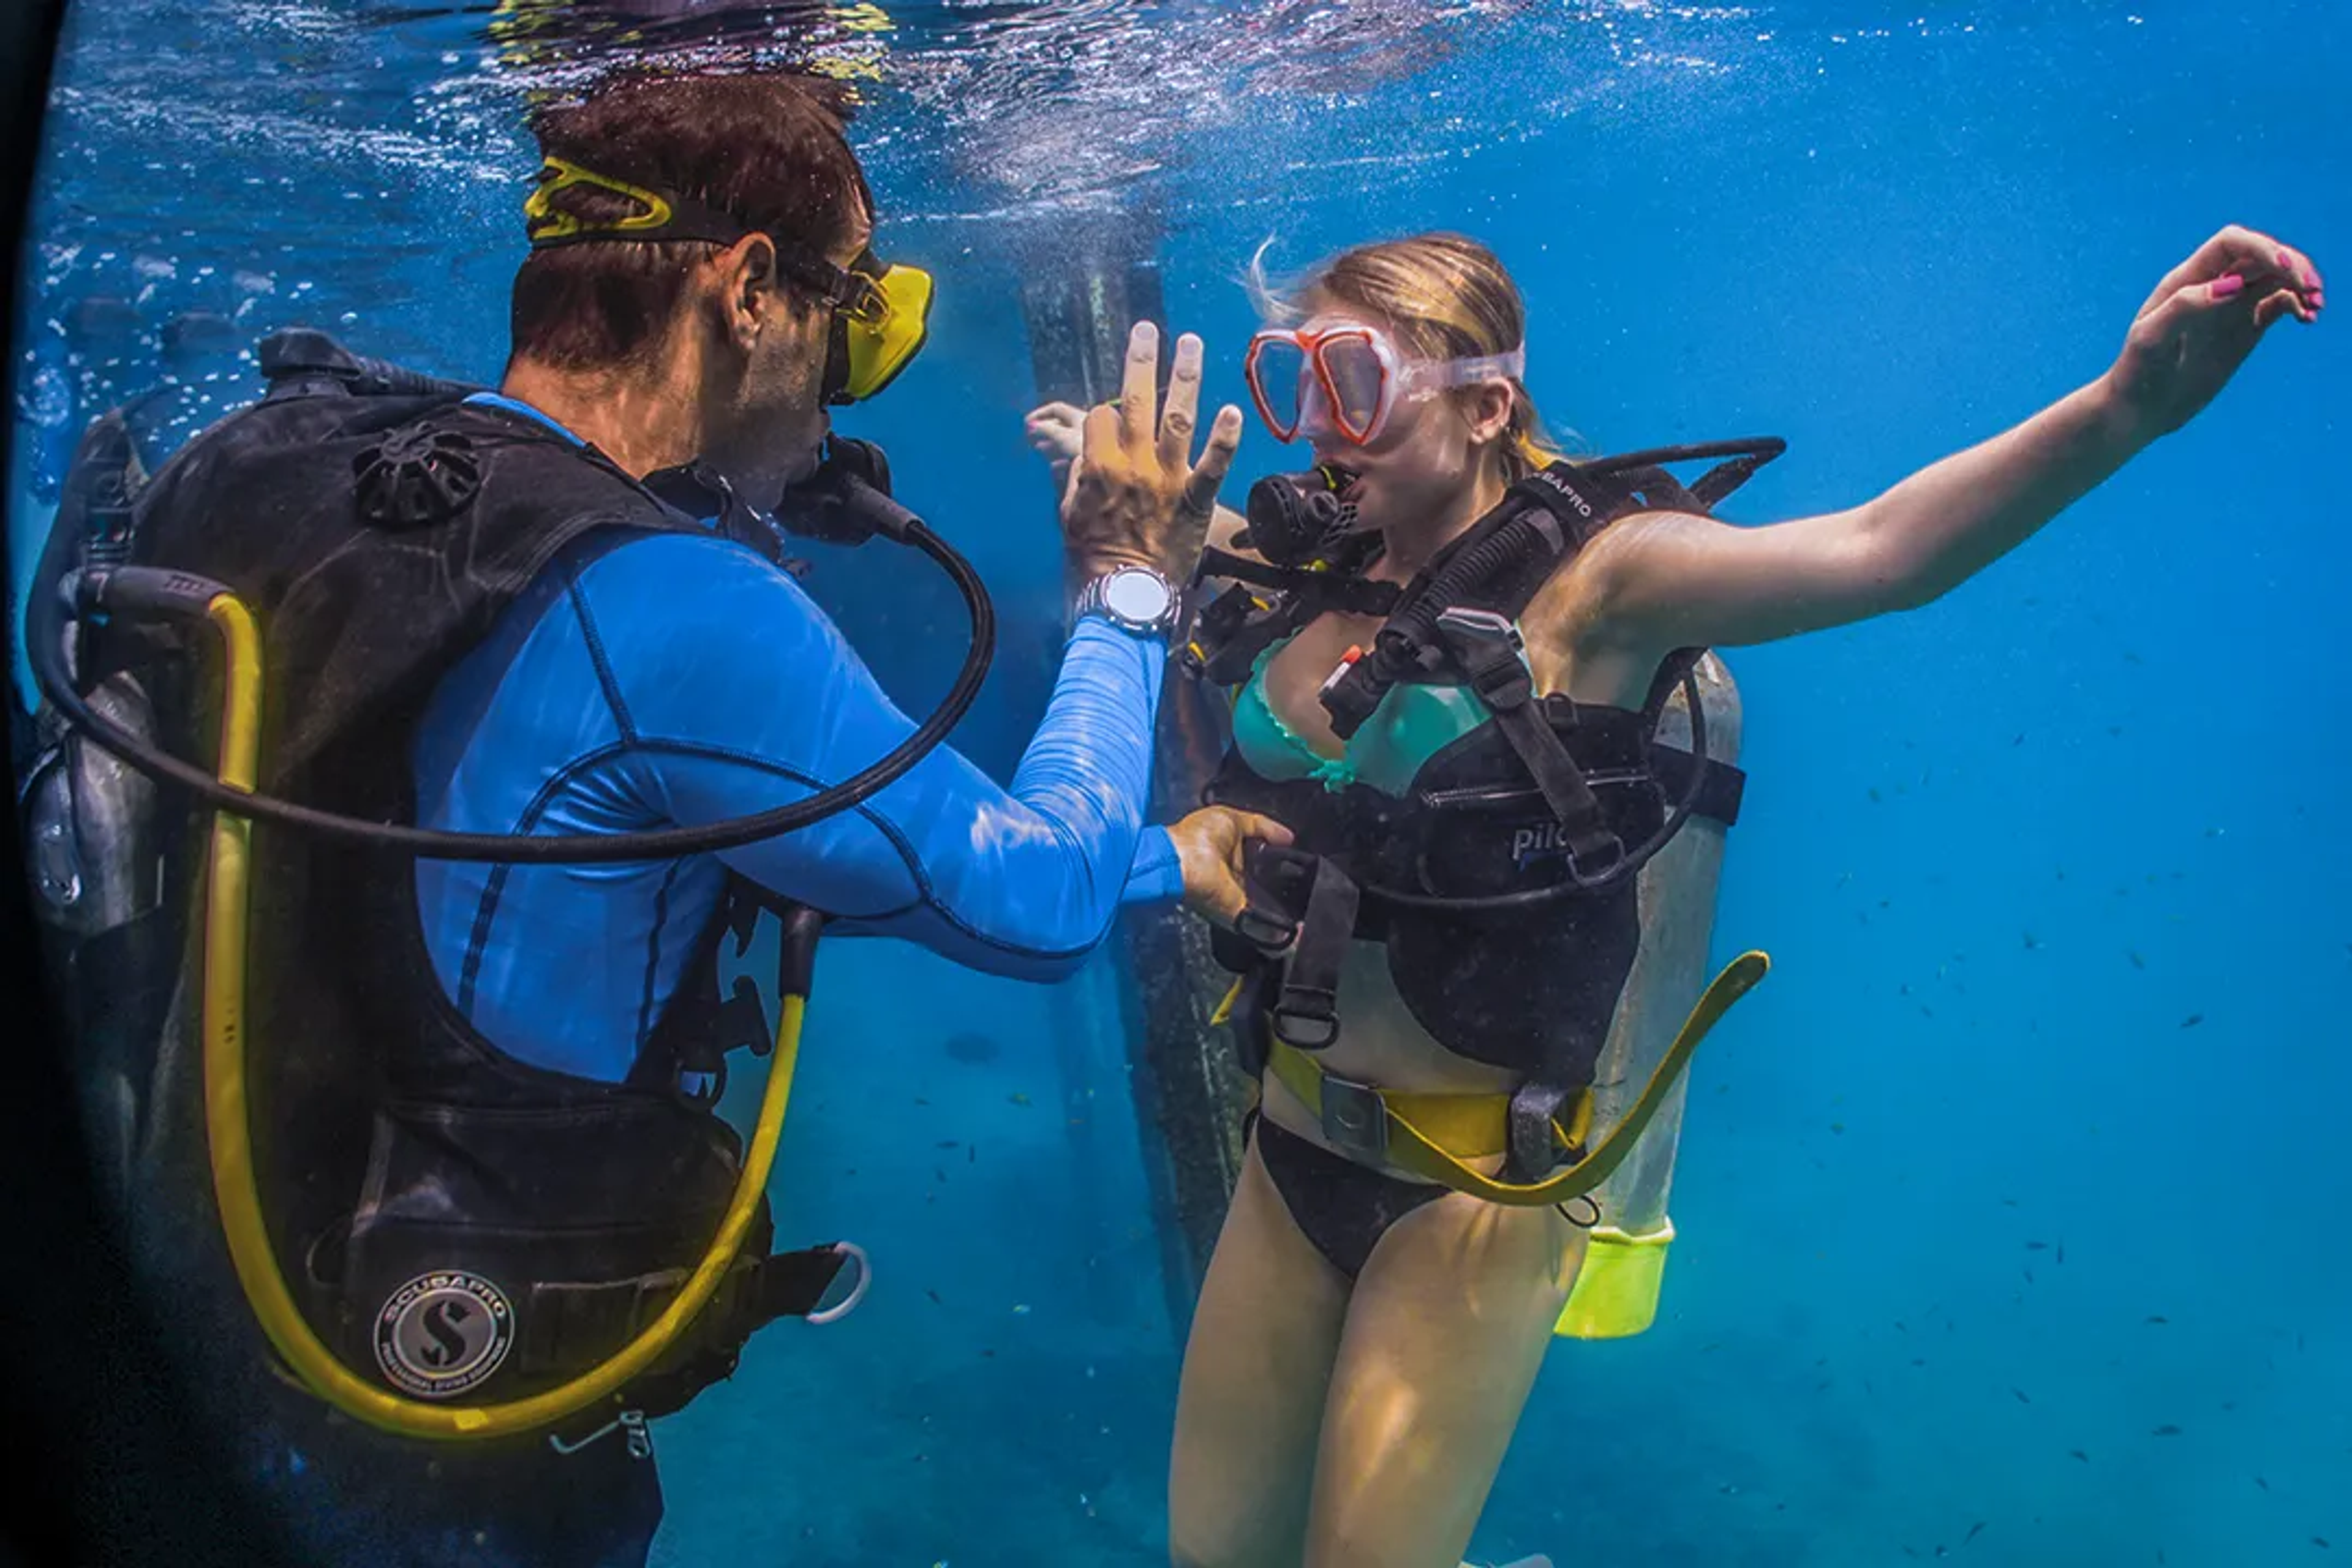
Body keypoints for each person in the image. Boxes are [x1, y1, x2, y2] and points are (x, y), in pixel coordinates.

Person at [25, 67, 1287, 1567]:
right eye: (850, 317)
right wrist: (1132, 588)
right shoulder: (677, 608)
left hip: (164, 1344)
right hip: (438, 1471)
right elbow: (1043, 899)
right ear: (750, 288)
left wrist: (1173, 856)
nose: (845, 384)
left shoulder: (291, 461)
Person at [1032, 222, 2320, 1568]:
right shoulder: (1314, 570)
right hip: (1288, 1146)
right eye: (1294, 380)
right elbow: (1201, 552)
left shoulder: (1608, 586)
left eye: (1353, 382)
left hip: (1470, 1192)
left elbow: (1886, 549)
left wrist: (2128, 406)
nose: (1318, 431)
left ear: (1487, 407)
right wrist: (1114, 486)